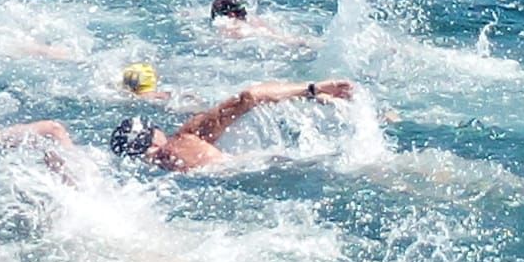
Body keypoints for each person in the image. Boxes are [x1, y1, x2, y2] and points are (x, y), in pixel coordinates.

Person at [111, 79, 355, 171]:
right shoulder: (185, 138)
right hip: (278, 167)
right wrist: (312, 90)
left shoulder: (157, 170)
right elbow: (249, 96)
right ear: (154, 137)